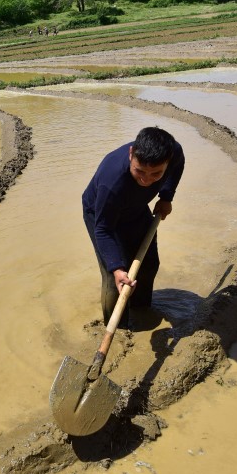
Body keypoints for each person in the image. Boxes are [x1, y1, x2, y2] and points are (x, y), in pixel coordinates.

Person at [81, 126, 185, 331]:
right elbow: (103, 230)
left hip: (136, 208)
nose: (146, 180)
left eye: (156, 174)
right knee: (115, 280)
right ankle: (118, 328)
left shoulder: (174, 152)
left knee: (148, 265)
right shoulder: (111, 182)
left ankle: (141, 308)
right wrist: (117, 268)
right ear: (131, 155)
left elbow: (179, 163)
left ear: (167, 161)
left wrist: (166, 196)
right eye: (139, 171)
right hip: (102, 217)